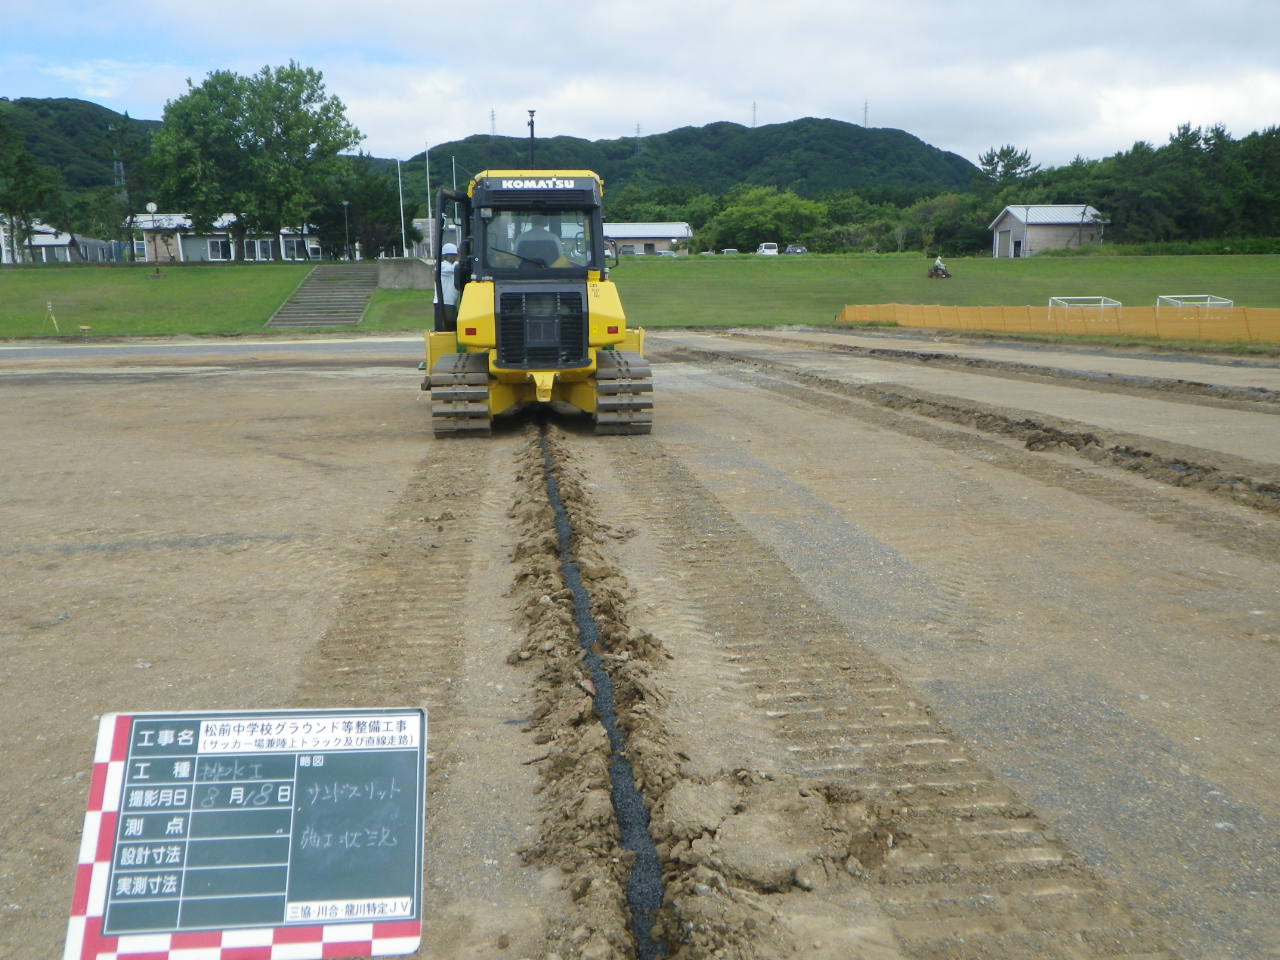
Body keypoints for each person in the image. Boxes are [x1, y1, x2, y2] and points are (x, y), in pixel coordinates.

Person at [434, 242, 460, 331]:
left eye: (455, 255)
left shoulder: (453, 266)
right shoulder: (442, 266)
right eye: (453, 255)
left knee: (452, 327)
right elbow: (456, 268)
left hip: (450, 303)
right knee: (445, 329)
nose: (455, 257)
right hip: (443, 303)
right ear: (446, 256)